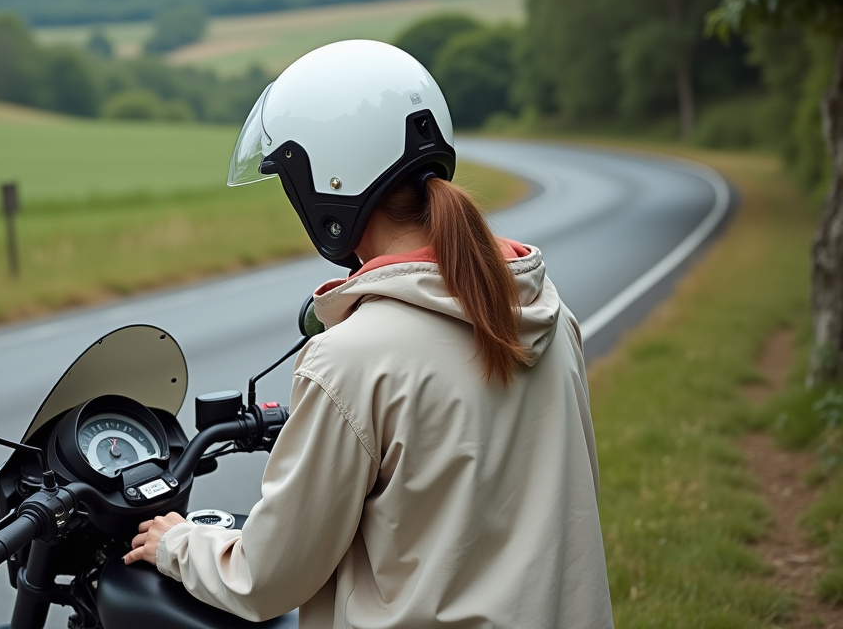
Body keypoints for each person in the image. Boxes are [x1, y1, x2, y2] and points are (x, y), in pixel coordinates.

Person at [123, 40, 614, 628]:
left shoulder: (351, 359)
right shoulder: (549, 317)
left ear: (327, 182)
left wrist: (178, 544)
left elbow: (269, 577)